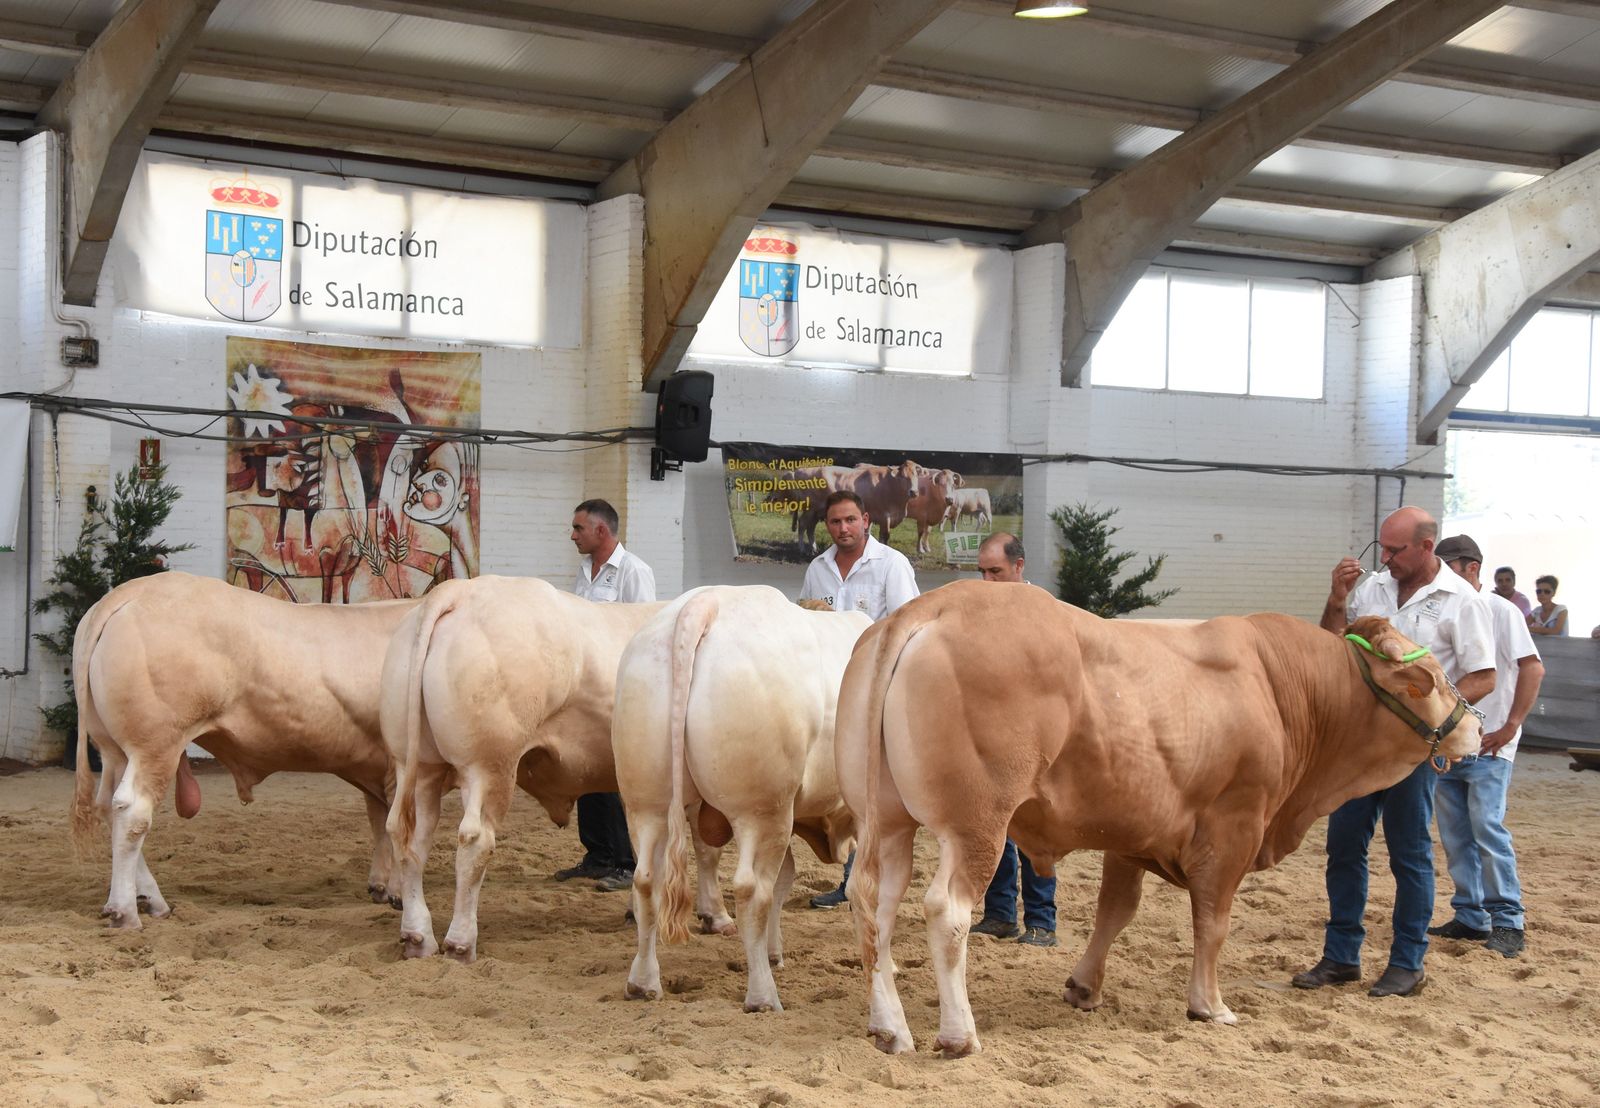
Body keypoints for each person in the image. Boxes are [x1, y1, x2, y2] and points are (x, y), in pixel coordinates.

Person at [1291, 506, 1495, 999]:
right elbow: (1331, 645)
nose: (1385, 558)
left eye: (1395, 549)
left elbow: (1484, 676)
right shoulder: (1373, 589)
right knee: (1344, 848)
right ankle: (1341, 957)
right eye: (1382, 547)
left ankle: (1407, 962)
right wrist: (1338, 599)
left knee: (1409, 855)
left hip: (1411, 751)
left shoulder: (1461, 601)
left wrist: (1431, 722)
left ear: (1426, 547)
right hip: (1358, 748)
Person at [800, 489, 918, 908]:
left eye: (850, 520)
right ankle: (855, 878)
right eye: (835, 522)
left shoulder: (892, 564)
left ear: (867, 520)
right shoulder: (818, 567)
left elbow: (909, 622)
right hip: (833, 688)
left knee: (876, 783)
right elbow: (808, 620)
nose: (843, 529)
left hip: (880, 684)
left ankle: (867, 878)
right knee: (848, 780)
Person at [1428, 535, 1543, 959]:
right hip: (1450, 741)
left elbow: (1533, 668)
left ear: (1470, 567)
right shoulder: (1444, 607)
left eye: (1448, 567)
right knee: (1457, 835)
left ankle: (1508, 919)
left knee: (1488, 830)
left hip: (1490, 740)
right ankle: (1471, 915)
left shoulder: (1501, 611)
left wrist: (1512, 724)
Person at [556, 498, 656, 893]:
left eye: (579, 528)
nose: (573, 534)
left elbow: (645, 627)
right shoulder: (584, 571)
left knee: (615, 773)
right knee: (588, 769)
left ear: (601, 530)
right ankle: (597, 855)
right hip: (589, 686)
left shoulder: (634, 571)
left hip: (622, 684)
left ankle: (627, 862)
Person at [968, 533, 1060, 947]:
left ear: (1019, 567)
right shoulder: (975, 613)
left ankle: (1042, 921)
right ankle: (1000, 914)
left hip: (1037, 738)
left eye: (996, 572)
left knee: (1035, 831)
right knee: (994, 830)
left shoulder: (1047, 612)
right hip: (991, 735)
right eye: (983, 572)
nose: (987, 581)